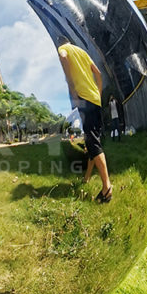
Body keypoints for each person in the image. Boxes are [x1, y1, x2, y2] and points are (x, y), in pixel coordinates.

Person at [57, 36, 112, 203]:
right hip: (95, 98)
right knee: (92, 140)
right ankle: (87, 178)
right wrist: (99, 93)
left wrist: (71, 86)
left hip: (84, 98)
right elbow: (99, 73)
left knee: (92, 141)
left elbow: (64, 57)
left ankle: (107, 187)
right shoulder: (82, 51)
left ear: (61, 43)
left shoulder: (62, 49)